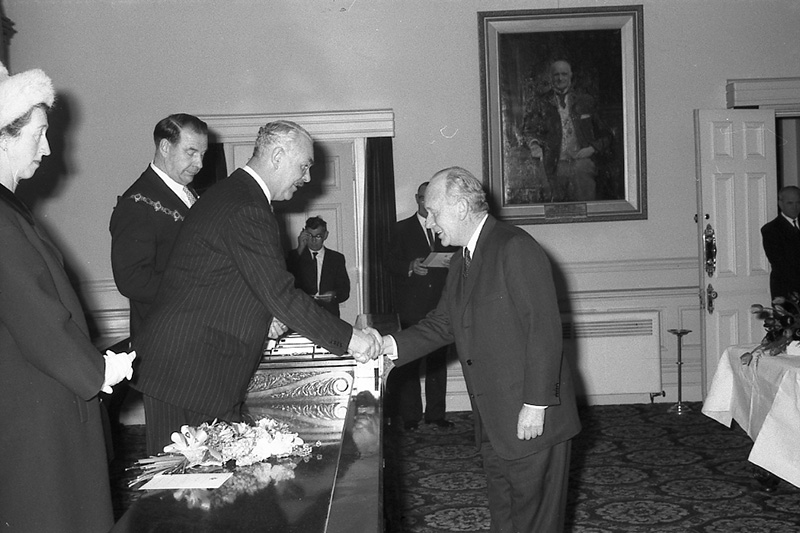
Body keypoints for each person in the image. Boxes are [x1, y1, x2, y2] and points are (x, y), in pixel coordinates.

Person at [132, 120, 380, 455]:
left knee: (210, 485)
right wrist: (353, 339)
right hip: (189, 372)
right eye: (304, 166)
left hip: (192, 366)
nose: (307, 178)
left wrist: (265, 315)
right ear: (277, 156)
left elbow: (226, 280)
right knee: (182, 491)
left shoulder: (235, 194)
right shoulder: (248, 206)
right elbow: (281, 294)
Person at [381, 167, 581, 532]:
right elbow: (443, 324)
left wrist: (535, 405)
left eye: (434, 211)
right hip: (494, 421)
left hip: (530, 417)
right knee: (505, 520)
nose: (431, 221)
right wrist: (388, 347)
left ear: (459, 207)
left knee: (535, 524)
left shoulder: (513, 246)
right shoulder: (461, 261)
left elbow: (544, 329)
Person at [0, 62, 135, 532]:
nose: (48, 147)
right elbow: (37, 317)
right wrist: (97, 371)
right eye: (37, 133)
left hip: (43, 412)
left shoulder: (11, 214)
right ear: (2, 137)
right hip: (38, 425)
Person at [110, 113, 208, 338]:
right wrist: (201, 290)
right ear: (165, 146)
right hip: (165, 338)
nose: (199, 164)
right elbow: (132, 280)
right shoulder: (137, 203)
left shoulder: (186, 193)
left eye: (202, 154)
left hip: (192, 332)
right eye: (191, 153)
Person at [383, 181, 458, 430]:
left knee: (438, 364)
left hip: (439, 306)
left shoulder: (444, 227)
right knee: (410, 363)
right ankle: (411, 417)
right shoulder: (400, 229)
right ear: (418, 199)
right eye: (425, 198)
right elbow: (389, 262)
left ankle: (436, 415)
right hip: (411, 306)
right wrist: (410, 266)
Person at [524, 59, 611, 202]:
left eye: (564, 74)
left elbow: (607, 135)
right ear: (551, 77)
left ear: (571, 76)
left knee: (586, 202)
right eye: (556, 75)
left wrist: (592, 148)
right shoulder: (539, 103)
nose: (560, 78)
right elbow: (528, 130)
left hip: (582, 162)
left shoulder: (586, 101)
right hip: (553, 163)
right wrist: (534, 145)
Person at [286, 215, 350, 317]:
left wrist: (334, 295)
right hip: (302, 314)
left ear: (325, 235)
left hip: (329, 314)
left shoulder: (336, 259)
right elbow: (286, 279)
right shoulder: (295, 256)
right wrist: (300, 248)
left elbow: (345, 290)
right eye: (310, 236)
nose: (313, 240)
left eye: (318, 236)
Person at [761, 185, 800, 300]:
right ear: (780, 204)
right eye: (790, 203)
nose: (795, 207)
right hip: (786, 291)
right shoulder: (771, 230)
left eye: (798, 202)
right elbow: (780, 263)